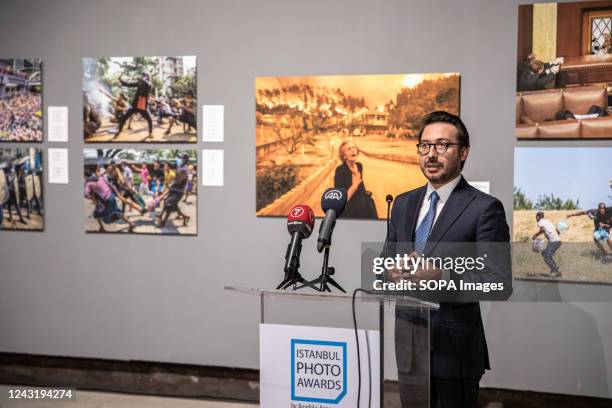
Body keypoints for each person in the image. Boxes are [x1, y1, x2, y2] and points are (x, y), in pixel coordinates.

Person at [388, 111, 510, 407]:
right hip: (408, 345)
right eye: (425, 146)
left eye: (442, 146)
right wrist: (390, 273)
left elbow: (498, 283)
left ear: (463, 152)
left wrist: (441, 277)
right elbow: (384, 266)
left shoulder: (484, 208)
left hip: (454, 353)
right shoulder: (403, 203)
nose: (431, 154)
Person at [333, 140, 377, 219]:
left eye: (354, 147)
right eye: (349, 149)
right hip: (350, 212)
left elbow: (361, 189)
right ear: (344, 155)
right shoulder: (340, 171)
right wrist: (354, 186)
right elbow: (340, 201)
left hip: (365, 208)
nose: (352, 150)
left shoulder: (359, 166)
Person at [114, 72, 154, 140]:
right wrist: (120, 79)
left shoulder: (149, 84)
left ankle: (150, 133)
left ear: (147, 77)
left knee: (149, 119)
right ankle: (119, 131)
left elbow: (147, 84)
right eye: (142, 76)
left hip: (143, 106)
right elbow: (128, 84)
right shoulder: (139, 83)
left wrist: (141, 78)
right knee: (124, 117)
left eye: (143, 76)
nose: (142, 77)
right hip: (135, 105)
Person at [155, 154, 190, 228]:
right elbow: (175, 180)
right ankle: (185, 217)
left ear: (185, 160)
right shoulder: (179, 167)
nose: (179, 159)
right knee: (169, 204)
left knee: (168, 206)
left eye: (181, 158)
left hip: (178, 191)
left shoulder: (184, 169)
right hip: (173, 190)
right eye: (179, 158)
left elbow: (178, 181)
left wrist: (171, 183)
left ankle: (163, 222)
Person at [532, 211, 562, 277]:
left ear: (538, 217)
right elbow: (558, 231)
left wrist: (536, 235)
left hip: (554, 241)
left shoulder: (540, 222)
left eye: (536, 218)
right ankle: (555, 266)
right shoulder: (548, 221)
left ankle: (555, 271)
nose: (536, 219)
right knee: (544, 253)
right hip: (557, 241)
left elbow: (543, 229)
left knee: (546, 257)